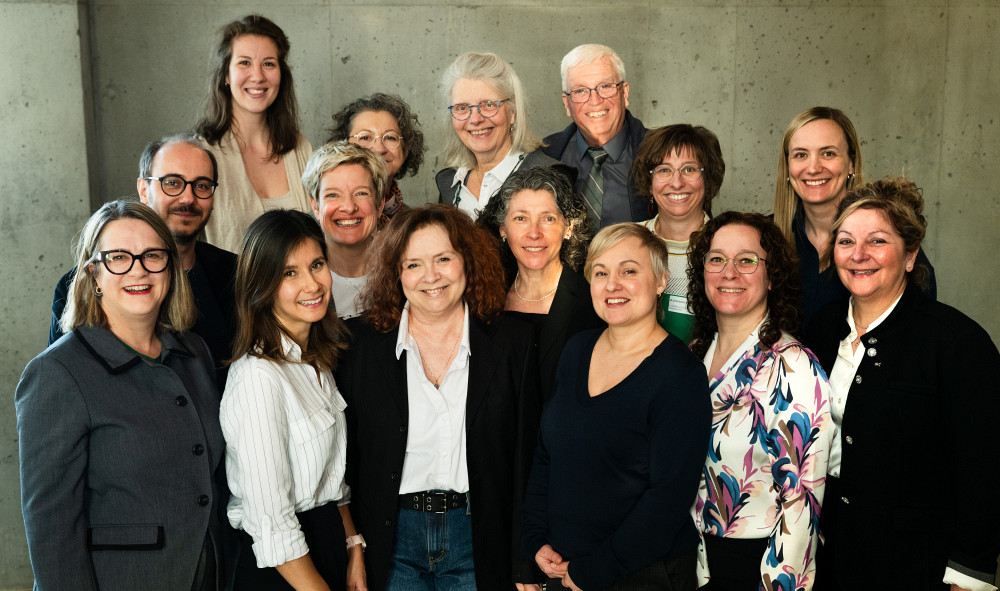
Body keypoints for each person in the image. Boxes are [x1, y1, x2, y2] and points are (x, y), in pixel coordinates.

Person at [17, 200, 230, 590]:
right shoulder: (58, 373)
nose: (138, 270)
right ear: (92, 273)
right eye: (118, 257)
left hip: (208, 576)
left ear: (170, 267)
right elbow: (51, 528)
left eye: (152, 255)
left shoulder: (193, 352)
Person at [804, 177, 1000, 591]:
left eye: (877, 241)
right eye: (845, 241)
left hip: (914, 565)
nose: (858, 255)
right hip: (827, 556)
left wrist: (969, 573)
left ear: (910, 255)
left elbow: (984, 469)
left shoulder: (956, 343)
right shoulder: (822, 329)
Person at [336, 205, 543, 590]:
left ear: (467, 261)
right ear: (396, 274)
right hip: (392, 538)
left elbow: (526, 460)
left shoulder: (514, 342)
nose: (431, 276)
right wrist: (354, 548)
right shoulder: (359, 346)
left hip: (478, 537)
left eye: (443, 259)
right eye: (413, 264)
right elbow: (343, 463)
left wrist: (523, 562)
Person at [521, 223, 710, 590]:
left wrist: (596, 569)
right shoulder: (576, 351)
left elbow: (669, 497)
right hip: (566, 569)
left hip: (644, 576)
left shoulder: (680, 374)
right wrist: (535, 536)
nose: (612, 285)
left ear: (660, 281)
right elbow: (548, 454)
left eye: (629, 271)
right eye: (601, 272)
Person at [686, 212, 833, 590]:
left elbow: (801, 497)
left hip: (757, 565)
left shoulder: (792, 366)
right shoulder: (692, 356)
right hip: (692, 556)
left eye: (747, 260)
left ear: (772, 277)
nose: (729, 272)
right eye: (716, 259)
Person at [220, 209, 364, 590]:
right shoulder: (258, 377)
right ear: (261, 284)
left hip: (329, 540)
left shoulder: (315, 359)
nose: (312, 284)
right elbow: (271, 519)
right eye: (289, 273)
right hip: (286, 569)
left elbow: (334, 482)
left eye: (316, 264)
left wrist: (354, 549)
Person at [49, 133, 237, 387]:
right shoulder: (79, 285)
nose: (188, 198)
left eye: (202, 185)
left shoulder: (236, 274)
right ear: (143, 190)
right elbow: (64, 381)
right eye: (173, 183)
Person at [772, 106, 936, 328]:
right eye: (801, 155)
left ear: (851, 163)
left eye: (828, 153)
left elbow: (919, 336)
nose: (813, 168)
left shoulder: (892, 246)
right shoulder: (765, 239)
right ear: (788, 166)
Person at [477, 166, 602, 400]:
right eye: (521, 218)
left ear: (569, 227)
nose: (534, 233)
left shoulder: (593, 301)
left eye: (548, 218)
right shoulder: (483, 298)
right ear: (502, 228)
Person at [195, 14, 313, 253]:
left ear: (282, 74)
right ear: (226, 75)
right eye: (244, 63)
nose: (258, 76)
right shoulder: (200, 155)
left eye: (268, 63)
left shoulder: (302, 149)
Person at [436, 51, 574, 216]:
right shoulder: (450, 185)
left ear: (513, 112)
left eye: (488, 105)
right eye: (462, 108)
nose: (475, 119)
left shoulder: (550, 177)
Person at [631, 123, 725, 342]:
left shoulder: (729, 247)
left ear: (707, 178)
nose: (676, 183)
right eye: (664, 170)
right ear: (650, 180)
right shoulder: (628, 241)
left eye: (689, 169)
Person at [541, 44, 649, 228]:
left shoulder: (662, 154)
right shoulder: (544, 156)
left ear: (625, 92)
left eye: (605, 86)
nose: (595, 101)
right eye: (580, 91)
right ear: (567, 103)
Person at [302, 141, 388, 320]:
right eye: (332, 195)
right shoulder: (297, 281)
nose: (349, 207)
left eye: (361, 193)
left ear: (380, 205)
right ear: (315, 207)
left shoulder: (403, 271)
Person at [327, 92, 425, 218]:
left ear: (405, 151)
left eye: (390, 138)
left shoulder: (413, 224)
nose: (379, 149)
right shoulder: (323, 221)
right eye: (365, 137)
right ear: (343, 146)